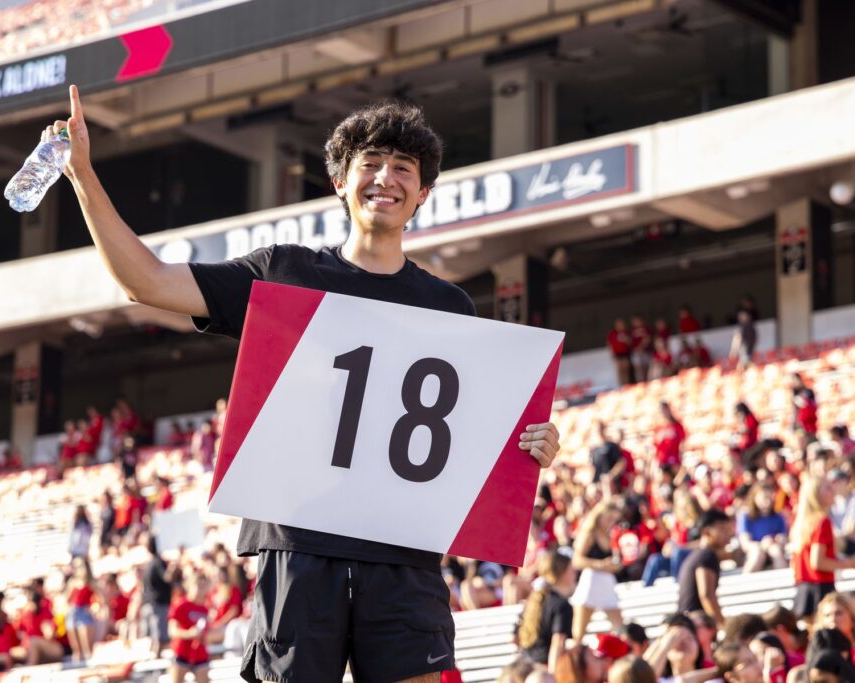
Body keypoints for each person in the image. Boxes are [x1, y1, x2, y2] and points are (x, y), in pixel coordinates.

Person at [48, 87, 562, 682]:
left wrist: (531, 447)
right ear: (340, 180)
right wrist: (82, 173)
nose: (385, 178)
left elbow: (466, 442)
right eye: (369, 162)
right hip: (299, 546)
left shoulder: (449, 305)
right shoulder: (283, 274)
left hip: (405, 555)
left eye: (403, 168)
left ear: (423, 194)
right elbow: (148, 281)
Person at [791, 476, 855, 621]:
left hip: (805, 588)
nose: (833, 491)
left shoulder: (802, 523)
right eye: (828, 488)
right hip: (820, 587)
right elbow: (817, 562)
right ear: (816, 494)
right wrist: (849, 564)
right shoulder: (822, 521)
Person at [570, 500, 624, 644]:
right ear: (599, 516)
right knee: (579, 632)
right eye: (609, 518)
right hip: (591, 581)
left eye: (614, 519)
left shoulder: (608, 534)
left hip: (606, 581)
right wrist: (600, 565)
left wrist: (614, 566)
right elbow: (576, 560)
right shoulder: (590, 533)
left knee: (620, 628)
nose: (611, 522)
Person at [517, 550, 576, 672]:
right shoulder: (561, 605)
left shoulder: (532, 601)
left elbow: (514, 637)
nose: (574, 573)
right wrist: (551, 676)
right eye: (571, 569)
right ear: (563, 573)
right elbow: (557, 645)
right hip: (543, 670)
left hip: (525, 668)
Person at [677, 509, 735, 630]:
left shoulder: (697, 555)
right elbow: (706, 595)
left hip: (688, 623)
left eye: (728, 529)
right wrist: (723, 626)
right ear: (705, 532)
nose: (728, 534)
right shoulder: (707, 555)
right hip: (696, 624)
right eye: (722, 529)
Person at [814, 593, 855, 671]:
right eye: (827, 615)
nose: (833, 619)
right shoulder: (817, 654)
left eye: (838, 613)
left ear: (853, 619)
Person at [168, 574, 211, 683]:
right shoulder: (181, 604)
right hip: (182, 651)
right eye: (198, 585)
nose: (201, 589)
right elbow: (172, 630)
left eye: (204, 586)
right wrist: (190, 633)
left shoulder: (205, 608)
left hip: (199, 653)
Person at [737, 483, 788, 573]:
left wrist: (777, 541)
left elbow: (783, 539)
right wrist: (762, 545)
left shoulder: (779, 516)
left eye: (769, 497)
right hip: (754, 552)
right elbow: (745, 543)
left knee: (776, 551)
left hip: (773, 549)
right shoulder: (746, 516)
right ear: (754, 498)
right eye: (764, 498)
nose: (767, 502)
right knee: (757, 553)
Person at [140, 536, 173, 657]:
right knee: (160, 638)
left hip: (149, 604)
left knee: (152, 639)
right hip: (157, 605)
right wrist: (173, 567)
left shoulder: (149, 564)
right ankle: (155, 664)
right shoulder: (158, 562)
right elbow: (167, 577)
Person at [65, 557, 99, 662]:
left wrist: (94, 607)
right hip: (73, 612)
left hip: (84, 611)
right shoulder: (72, 582)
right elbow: (68, 599)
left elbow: (99, 598)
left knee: (87, 647)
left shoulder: (90, 583)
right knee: (77, 650)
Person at [608, 319, 633, 386]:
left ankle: (627, 385)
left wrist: (626, 339)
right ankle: (621, 386)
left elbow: (631, 343)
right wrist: (611, 353)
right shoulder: (612, 333)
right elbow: (609, 344)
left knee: (626, 371)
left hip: (625, 355)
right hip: (617, 355)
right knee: (619, 372)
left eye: (622, 324)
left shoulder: (626, 333)